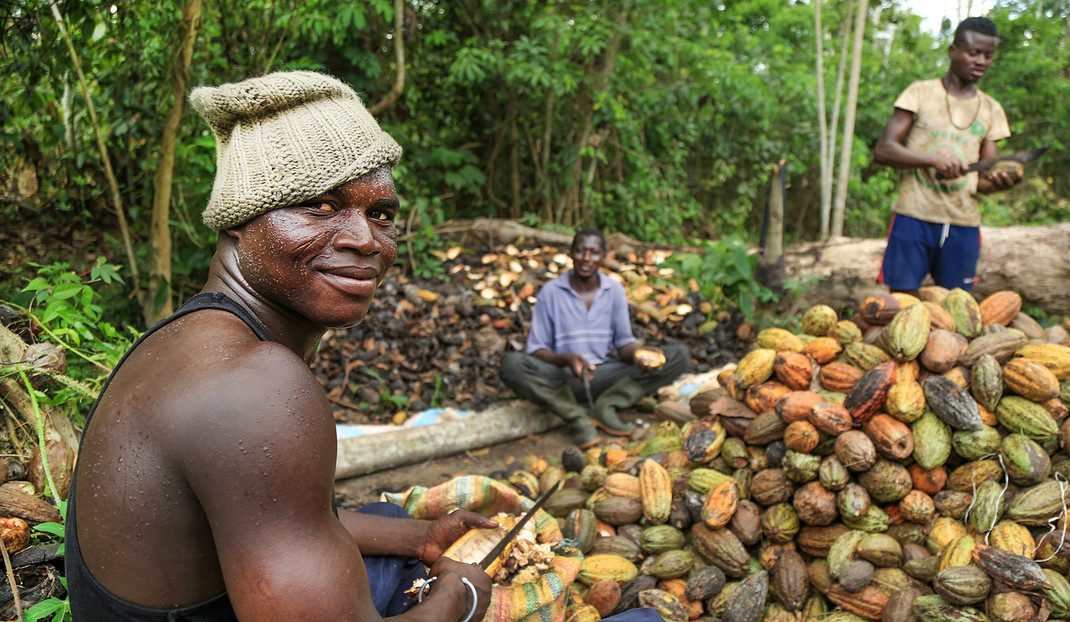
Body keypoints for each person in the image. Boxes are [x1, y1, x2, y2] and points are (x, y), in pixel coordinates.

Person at [64, 71, 663, 622]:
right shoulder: (255, 388)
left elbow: (271, 514)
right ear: (238, 222)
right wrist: (462, 597)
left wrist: (423, 541)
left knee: (389, 521)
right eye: (319, 206)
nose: (364, 240)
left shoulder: (194, 339)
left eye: (381, 213)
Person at [501, 228, 691, 448]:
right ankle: (577, 418)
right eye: (581, 252)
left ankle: (606, 406)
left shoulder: (614, 290)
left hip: (604, 375)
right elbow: (535, 349)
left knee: (679, 355)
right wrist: (567, 359)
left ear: (603, 256)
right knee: (512, 363)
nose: (586, 259)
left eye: (593, 253)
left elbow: (623, 344)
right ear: (571, 254)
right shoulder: (551, 292)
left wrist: (638, 354)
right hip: (564, 378)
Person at [872, 16, 1022, 295]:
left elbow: (984, 179)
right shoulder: (921, 93)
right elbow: (884, 149)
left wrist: (1003, 182)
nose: (981, 61)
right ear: (953, 51)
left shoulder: (991, 109)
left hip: (962, 223)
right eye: (973, 52)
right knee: (903, 302)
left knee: (956, 307)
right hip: (914, 216)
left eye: (988, 56)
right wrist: (933, 160)